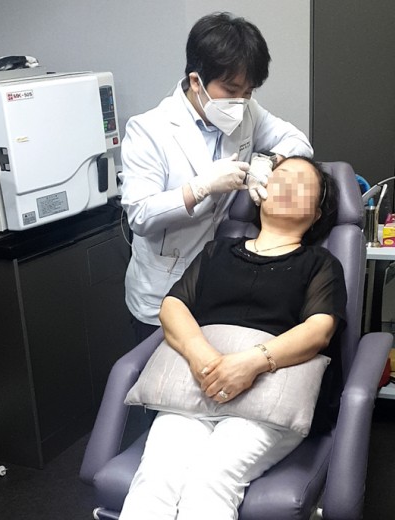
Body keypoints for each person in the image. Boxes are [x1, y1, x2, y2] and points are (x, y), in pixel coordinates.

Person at [119, 156, 347, 520]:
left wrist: (252, 363)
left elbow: (319, 330)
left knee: (211, 479)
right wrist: (202, 357)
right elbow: (173, 307)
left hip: (267, 399)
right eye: (280, 178)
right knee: (156, 477)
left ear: (317, 213)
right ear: (259, 192)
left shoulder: (320, 263)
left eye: (302, 184)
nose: (287, 186)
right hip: (197, 386)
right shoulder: (217, 251)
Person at [119, 12, 314, 343]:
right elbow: (140, 216)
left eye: (249, 91)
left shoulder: (247, 112)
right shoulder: (149, 130)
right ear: (196, 81)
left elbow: (299, 142)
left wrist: (268, 161)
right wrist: (200, 187)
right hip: (162, 290)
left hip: (218, 286)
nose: (241, 101)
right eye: (231, 89)